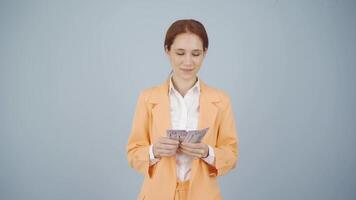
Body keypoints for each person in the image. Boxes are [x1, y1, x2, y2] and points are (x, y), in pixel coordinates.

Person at [126, 19, 239, 200]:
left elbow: (231, 155)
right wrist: (154, 151)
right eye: (180, 53)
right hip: (157, 194)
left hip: (204, 195)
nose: (188, 61)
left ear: (205, 53)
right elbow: (133, 153)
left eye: (196, 53)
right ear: (167, 51)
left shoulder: (221, 100)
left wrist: (207, 152)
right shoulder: (147, 98)